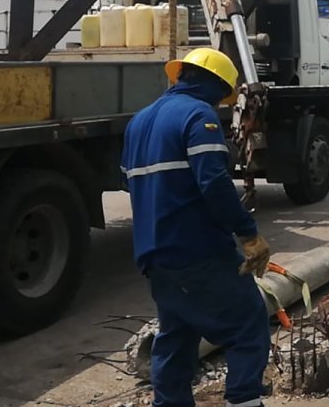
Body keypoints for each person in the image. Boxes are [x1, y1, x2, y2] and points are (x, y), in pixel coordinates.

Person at [122, 48, 272, 407]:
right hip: (197, 251)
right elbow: (213, 181)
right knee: (248, 324)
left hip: (155, 255)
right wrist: (248, 233)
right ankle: (245, 401)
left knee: (177, 334)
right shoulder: (197, 115)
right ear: (218, 87)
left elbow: (129, 183)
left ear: (180, 75)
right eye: (223, 96)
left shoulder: (138, 122)